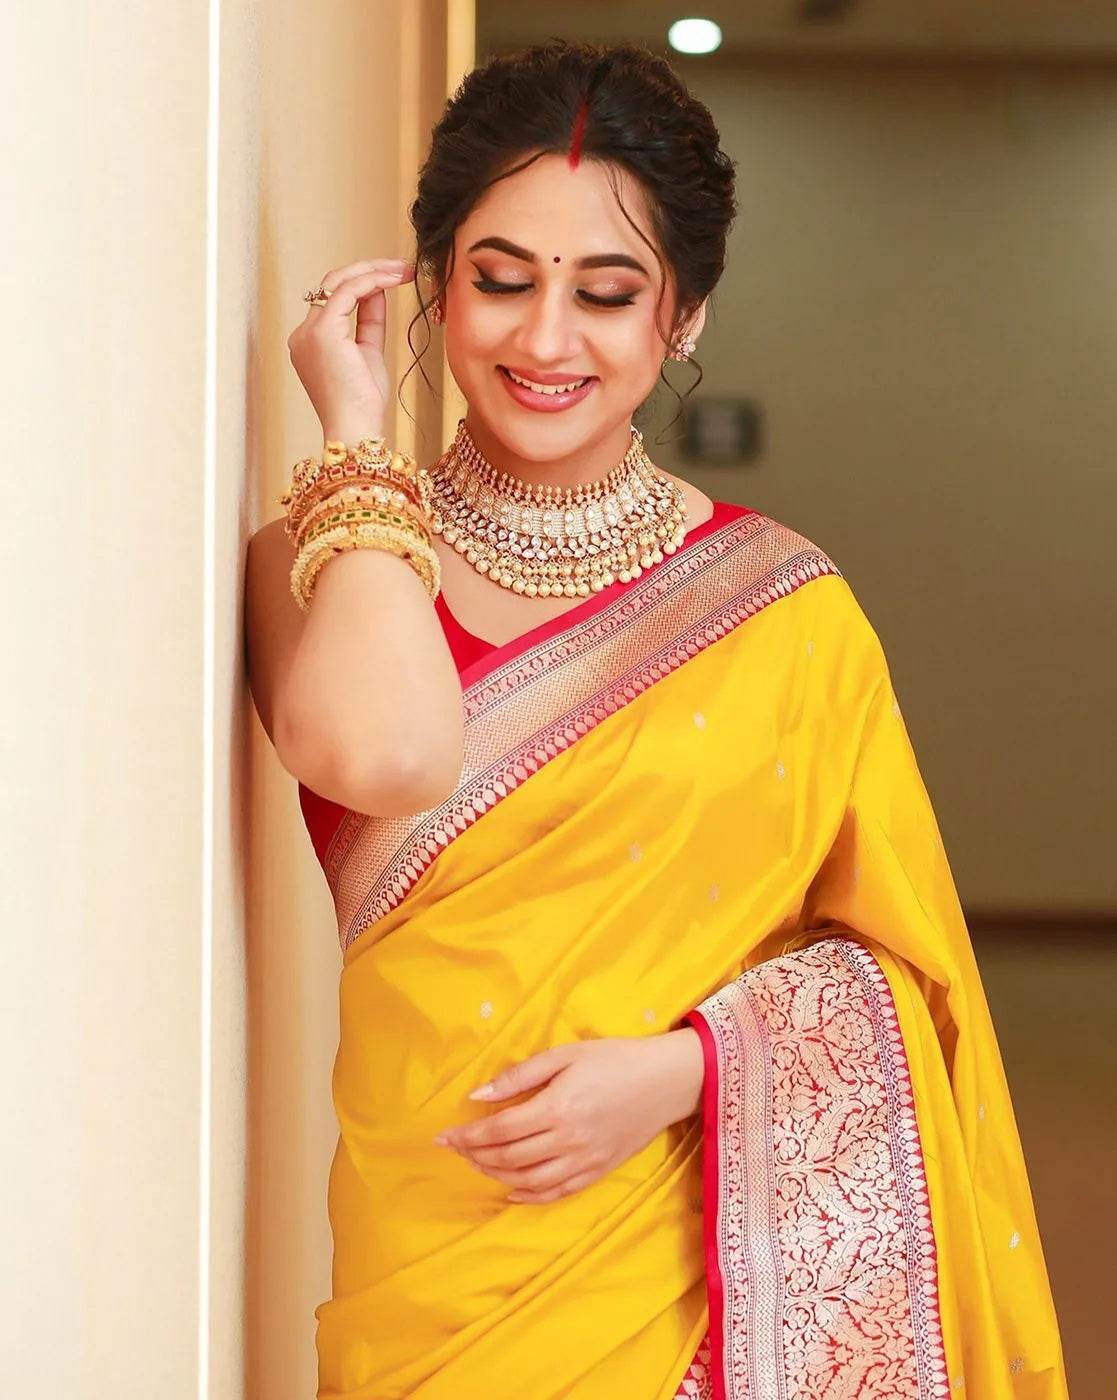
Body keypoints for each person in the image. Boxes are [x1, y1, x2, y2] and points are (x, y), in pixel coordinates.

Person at [245, 40, 1067, 1400]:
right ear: (434, 287)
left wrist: (690, 1071)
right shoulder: (328, 560)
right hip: (431, 1256)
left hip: (684, 1256)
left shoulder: (783, 611)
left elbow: (906, 981)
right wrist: (353, 437)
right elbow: (387, 755)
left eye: (607, 294)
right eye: (499, 280)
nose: (544, 339)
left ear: (681, 319)